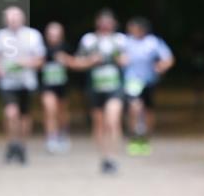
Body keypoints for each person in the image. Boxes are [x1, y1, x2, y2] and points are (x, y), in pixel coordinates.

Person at [63, 10, 126, 173]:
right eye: (102, 22)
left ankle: (113, 157)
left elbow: (127, 61)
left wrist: (119, 59)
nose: (105, 25)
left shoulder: (120, 40)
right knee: (99, 124)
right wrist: (91, 61)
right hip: (95, 88)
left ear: (114, 24)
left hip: (115, 87)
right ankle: (104, 157)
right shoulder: (88, 40)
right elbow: (76, 63)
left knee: (112, 120)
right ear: (97, 23)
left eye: (108, 22)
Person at [0, 6, 45, 164]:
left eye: (15, 18)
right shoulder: (0, 36)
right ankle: (11, 143)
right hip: (7, 83)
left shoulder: (33, 35)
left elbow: (40, 60)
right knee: (11, 113)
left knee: (24, 116)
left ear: (22, 19)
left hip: (27, 82)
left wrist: (26, 63)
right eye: (10, 19)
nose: (13, 21)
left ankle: (22, 146)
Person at [123, 17, 175, 155]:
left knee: (148, 111)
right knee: (134, 107)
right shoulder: (125, 41)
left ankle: (145, 138)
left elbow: (168, 59)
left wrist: (161, 66)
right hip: (132, 81)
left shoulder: (153, 42)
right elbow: (117, 56)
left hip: (149, 81)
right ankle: (134, 136)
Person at [40, 21, 70, 154]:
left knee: (61, 112)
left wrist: (66, 60)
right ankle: (51, 138)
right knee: (49, 109)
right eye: (51, 34)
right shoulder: (42, 48)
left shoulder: (66, 47)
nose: (53, 37)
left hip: (62, 85)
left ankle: (62, 134)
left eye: (56, 34)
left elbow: (75, 62)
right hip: (47, 85)